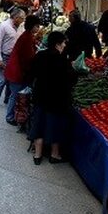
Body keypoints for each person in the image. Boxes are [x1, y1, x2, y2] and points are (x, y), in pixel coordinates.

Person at [28, 31, 76, 165]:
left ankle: (37, 155)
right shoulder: (63, 60)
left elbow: (31, 73)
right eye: (63, 43)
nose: (65, 45)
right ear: (57, 44)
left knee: (39, 124)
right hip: (57, 100)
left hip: (40, 96)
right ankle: (55, 155)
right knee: (54, 126)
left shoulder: (40, 55)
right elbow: (72, 79)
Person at [4, 15, 41, 126]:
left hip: (16, 69)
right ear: (32, 26)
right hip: (17, 71)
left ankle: (13, 115)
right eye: (37, 26)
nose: (38, 28)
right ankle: (9, 117)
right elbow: (27, 58)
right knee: (14, 95)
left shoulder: (28, 36)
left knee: (14, 94)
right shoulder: (26, 38)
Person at [0, 8, 25, 110]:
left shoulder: (21, 27)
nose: (23, 20)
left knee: (12, 80)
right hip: (5, 56)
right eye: (22, 18)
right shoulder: (4, 26)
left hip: (15, 57)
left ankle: (7, 98)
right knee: (1, 80)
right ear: (15, 17)